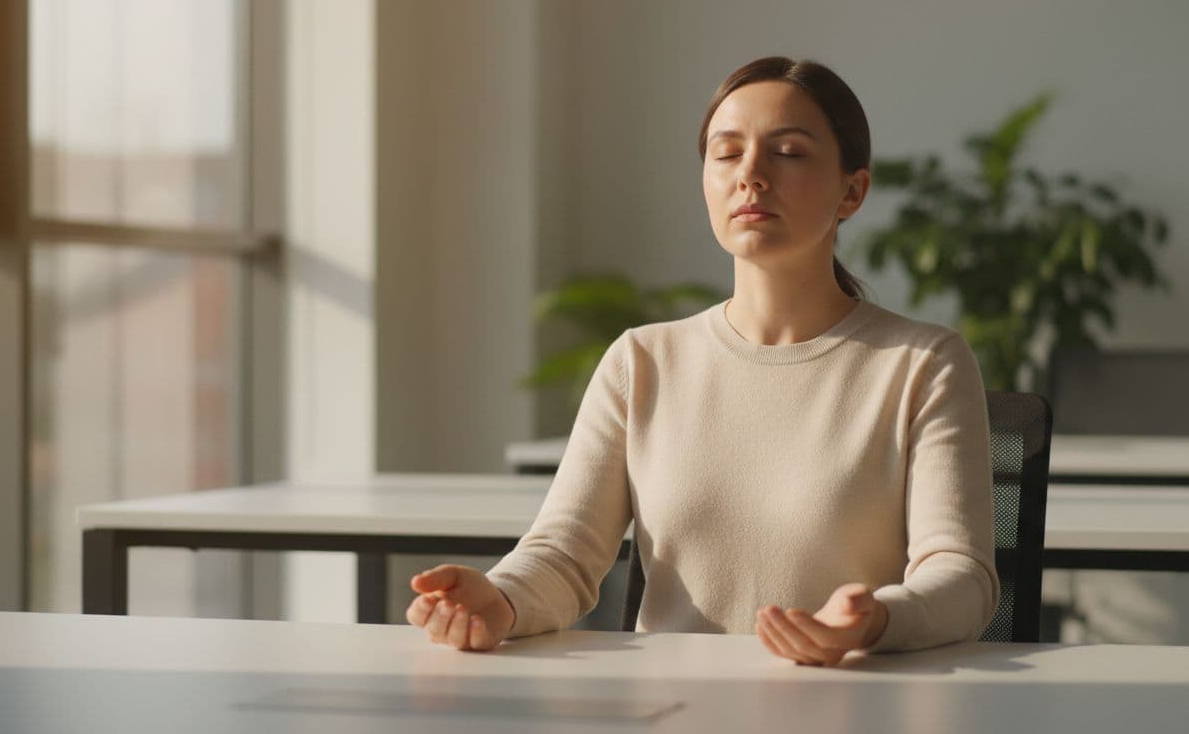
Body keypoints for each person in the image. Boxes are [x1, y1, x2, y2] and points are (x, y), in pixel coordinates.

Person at [407, 56, 999, 666]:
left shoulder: (924, 364)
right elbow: (564, 553)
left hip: (849, 702)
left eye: (788, 152)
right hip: (669, 708)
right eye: (726, 152)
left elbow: (961, 575)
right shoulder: (641, 361)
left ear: (852, 191)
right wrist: (500, 598)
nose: (751, 175)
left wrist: (878, 620)